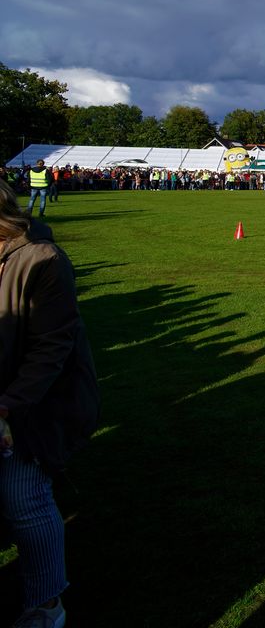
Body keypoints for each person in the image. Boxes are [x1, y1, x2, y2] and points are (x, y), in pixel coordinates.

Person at [0, 179, 100, 628]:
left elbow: (52, 346)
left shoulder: (42, 260)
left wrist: (9, 404)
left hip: (37, 403)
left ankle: (46, 605)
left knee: (25, 499)